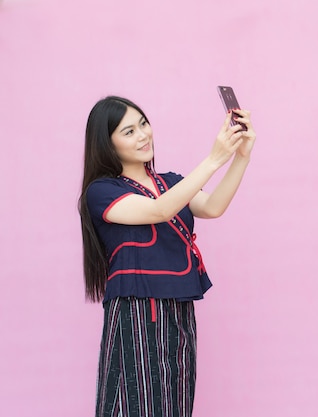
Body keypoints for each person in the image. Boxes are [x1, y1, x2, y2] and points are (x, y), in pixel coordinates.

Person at [78, 95, 256, 417]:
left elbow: (213, 206)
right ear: (108, 144)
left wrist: (241, 157)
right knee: (133, 403)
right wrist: (214, 159)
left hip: (180, 310)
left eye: (143, 124)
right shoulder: (102, 191)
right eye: (128, 131)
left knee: (175, 404)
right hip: (136, 311)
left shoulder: (171, 183)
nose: (143, 135)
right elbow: (159, 209)